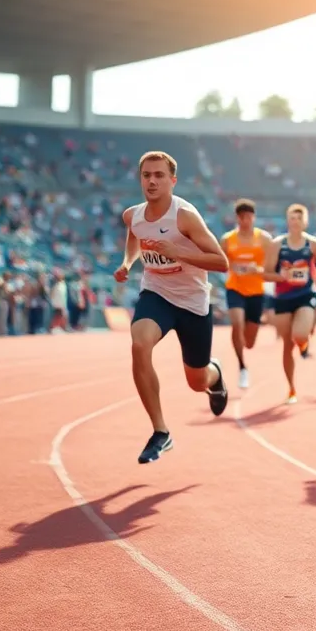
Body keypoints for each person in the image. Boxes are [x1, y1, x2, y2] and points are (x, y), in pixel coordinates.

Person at [114, 151, 231, 464]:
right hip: (157, 294)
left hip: (192, 303)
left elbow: (221, 262)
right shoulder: (132, 215)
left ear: (172, 181)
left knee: (197, 382)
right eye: (146, 175)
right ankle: (160, 431)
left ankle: (215, 374)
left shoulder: (185, 216)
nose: (152, 181)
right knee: (139, 344)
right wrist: (127, 263)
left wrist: (178, 251)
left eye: (159, 176)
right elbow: (134, 237)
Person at [262, 203, 316, 404]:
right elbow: (265, 274)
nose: (295, 222)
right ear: (287, 221)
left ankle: (303, 343)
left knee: (300, 334)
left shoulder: (312, 244)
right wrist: (279, 276)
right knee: (286, 345)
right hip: (282, 299)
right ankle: (291, 388)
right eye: (291, 218)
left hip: (304, 295)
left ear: (305, 222)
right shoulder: (277, 244)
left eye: (299, 218)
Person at [221, 199, 271, 390]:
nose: (246, 221)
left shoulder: (264, 239)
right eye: (242, 217)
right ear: (237, 218)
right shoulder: (227, 239)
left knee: (249, 342)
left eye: (249, 217)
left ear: (254, 217)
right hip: (235, 287)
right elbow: (222, 263)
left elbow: (271, 264)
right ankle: (242, 366)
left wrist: (257, 269)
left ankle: (243, 345)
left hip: (256, 291)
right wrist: (232, 266)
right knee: (236, 322)